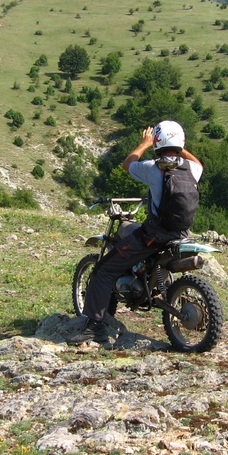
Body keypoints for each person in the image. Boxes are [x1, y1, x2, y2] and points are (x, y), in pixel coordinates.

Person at [68, 120, 203, 346]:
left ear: (157, 142)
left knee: (103, 270)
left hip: (154, 237)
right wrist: (179, 147)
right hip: (181, 234)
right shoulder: (192, 169)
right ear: (181, 141)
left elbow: (128, 163)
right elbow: (198, 162)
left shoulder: (152, 168)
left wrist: (144, 144)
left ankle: (93, 327)